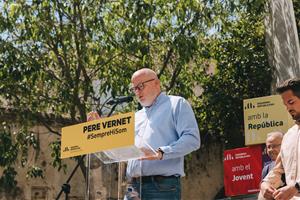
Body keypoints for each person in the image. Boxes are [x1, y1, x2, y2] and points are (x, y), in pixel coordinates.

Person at [125, 68, 200, 200]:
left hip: (161, 187)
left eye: (141, 86)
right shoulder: (136, 116)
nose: (137, 92)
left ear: (156, 83)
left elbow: (192, 139)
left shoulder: (176, 104)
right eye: (134, 88)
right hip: (133, 188)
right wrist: (100, 130)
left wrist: (161, 153)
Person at [259, 78, 300, 200]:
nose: (288, 108)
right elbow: (278, 170)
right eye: (285, 104)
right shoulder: (288, 136)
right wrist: (265, 184)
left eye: (291, 102)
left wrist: (296, 187)